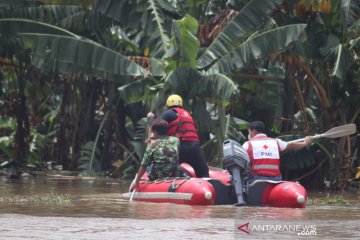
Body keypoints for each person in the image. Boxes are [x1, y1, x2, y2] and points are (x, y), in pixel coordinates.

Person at [147, 94, 209, 178]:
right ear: (181, 104)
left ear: (168, 105)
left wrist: (151, 117)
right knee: (203, 172)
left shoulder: (169, 113)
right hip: (195, 147)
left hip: (180, 147)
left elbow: (155, 124)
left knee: (165, 168)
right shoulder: (188, 115)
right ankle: (206, 186)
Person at [242, 121, 313, 182]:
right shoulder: (276, 142)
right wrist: (305, 143)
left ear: (253, 131)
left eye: (249, 132)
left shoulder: (247, 144)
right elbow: (292, 146)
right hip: (275, 179)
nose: (249, 134)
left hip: (256, 178)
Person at [129, 118, 181, 192]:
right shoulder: (176, 140)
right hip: (174, 174)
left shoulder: (152, 145)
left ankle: (137, 181)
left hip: (158, 176)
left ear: (155, 131)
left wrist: (136, 182)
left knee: (148, 167)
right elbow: (165, 144)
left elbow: (143, 166)